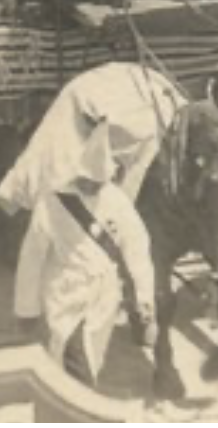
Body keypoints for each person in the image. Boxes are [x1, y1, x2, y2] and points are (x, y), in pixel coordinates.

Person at [13, 121, 156, 388]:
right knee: (76, 362)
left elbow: (137, 250)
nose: (93, 188)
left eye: (98, 182)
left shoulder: (116, 202)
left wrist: (144, 299)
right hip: (65, 292)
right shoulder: (52, 202)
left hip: (103, 299)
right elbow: (32, 256)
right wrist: (27, 308)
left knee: (90, 360)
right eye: (89, 181)